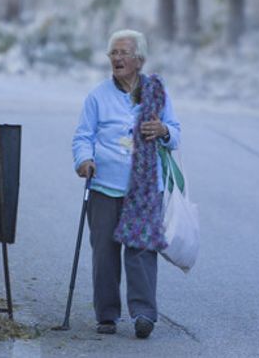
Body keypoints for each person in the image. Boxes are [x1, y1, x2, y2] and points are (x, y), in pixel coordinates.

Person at [72, 29, 181, 338]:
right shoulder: (97, 96)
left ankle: (144, 314)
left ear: (139, 60)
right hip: (105, 185)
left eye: (123, 53)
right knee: (104, 252)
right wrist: (84, 160)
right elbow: (83, 136)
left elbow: (176, 133)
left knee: (142, 250)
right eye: (113, 54)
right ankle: (106, 315)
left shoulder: (156, 94)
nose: (116, 59)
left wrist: (163, 130)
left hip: (145, 189)